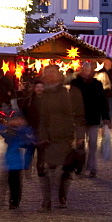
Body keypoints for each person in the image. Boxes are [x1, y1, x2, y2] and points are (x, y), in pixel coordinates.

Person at [37, 65, 84, 210]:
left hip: (66, 136)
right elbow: (42, 117)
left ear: (58, 75)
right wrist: (43, 135)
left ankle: (62, 196)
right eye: (47, 73)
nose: (49, 76)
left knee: (66, 169)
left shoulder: (71, 92)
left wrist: (79, 136)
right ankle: (47, 201)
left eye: (52, 73)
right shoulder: (43, 93)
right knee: (43, 169)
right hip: (49, 137)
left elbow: (79, 115)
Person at [69, 62, 111, 178]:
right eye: (85, 70)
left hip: (93, 118)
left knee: (93, 144)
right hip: (79, 118)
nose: (87, 72)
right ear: (82, 70)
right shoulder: (75, 83)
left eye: (89, 70)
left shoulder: (97, 84)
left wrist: (106, 117)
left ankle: (92, 168)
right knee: (80, 144)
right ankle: (80, 167)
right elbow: (71, 100)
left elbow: (102, 101)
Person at [0, 110, 36, 209]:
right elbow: (0, 131)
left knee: (14, 182)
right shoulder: (11, 131)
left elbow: (29, 144)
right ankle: (7, 200)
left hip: (17, 162)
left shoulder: (22, 132)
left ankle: (13, 201)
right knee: (10, 181)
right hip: (10, 161)